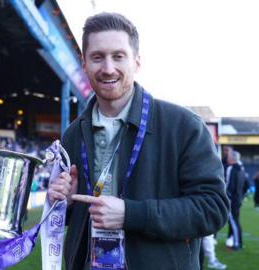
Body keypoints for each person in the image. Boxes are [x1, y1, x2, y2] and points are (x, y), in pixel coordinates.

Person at [46, 12, 229, 270]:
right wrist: (65, 203)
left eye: (118, 56)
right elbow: (75, 219)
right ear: (84, 64)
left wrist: (131, 214)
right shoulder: (73, 134)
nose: (108, 68)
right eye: (97, 57)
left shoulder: (184, 126)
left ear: (137, 62)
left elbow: (213, 209)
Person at [225, 150, 247, 250]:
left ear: (232, 158)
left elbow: (228, 186)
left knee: (234, 222)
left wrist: (226, 197)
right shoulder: (242, 168)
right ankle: (236, 241)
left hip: (232, 200)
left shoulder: (231, 168)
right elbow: (246, 185)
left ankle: (237, 244)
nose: (227, 158)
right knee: (236, 221)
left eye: (228, 156)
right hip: (238, 199)